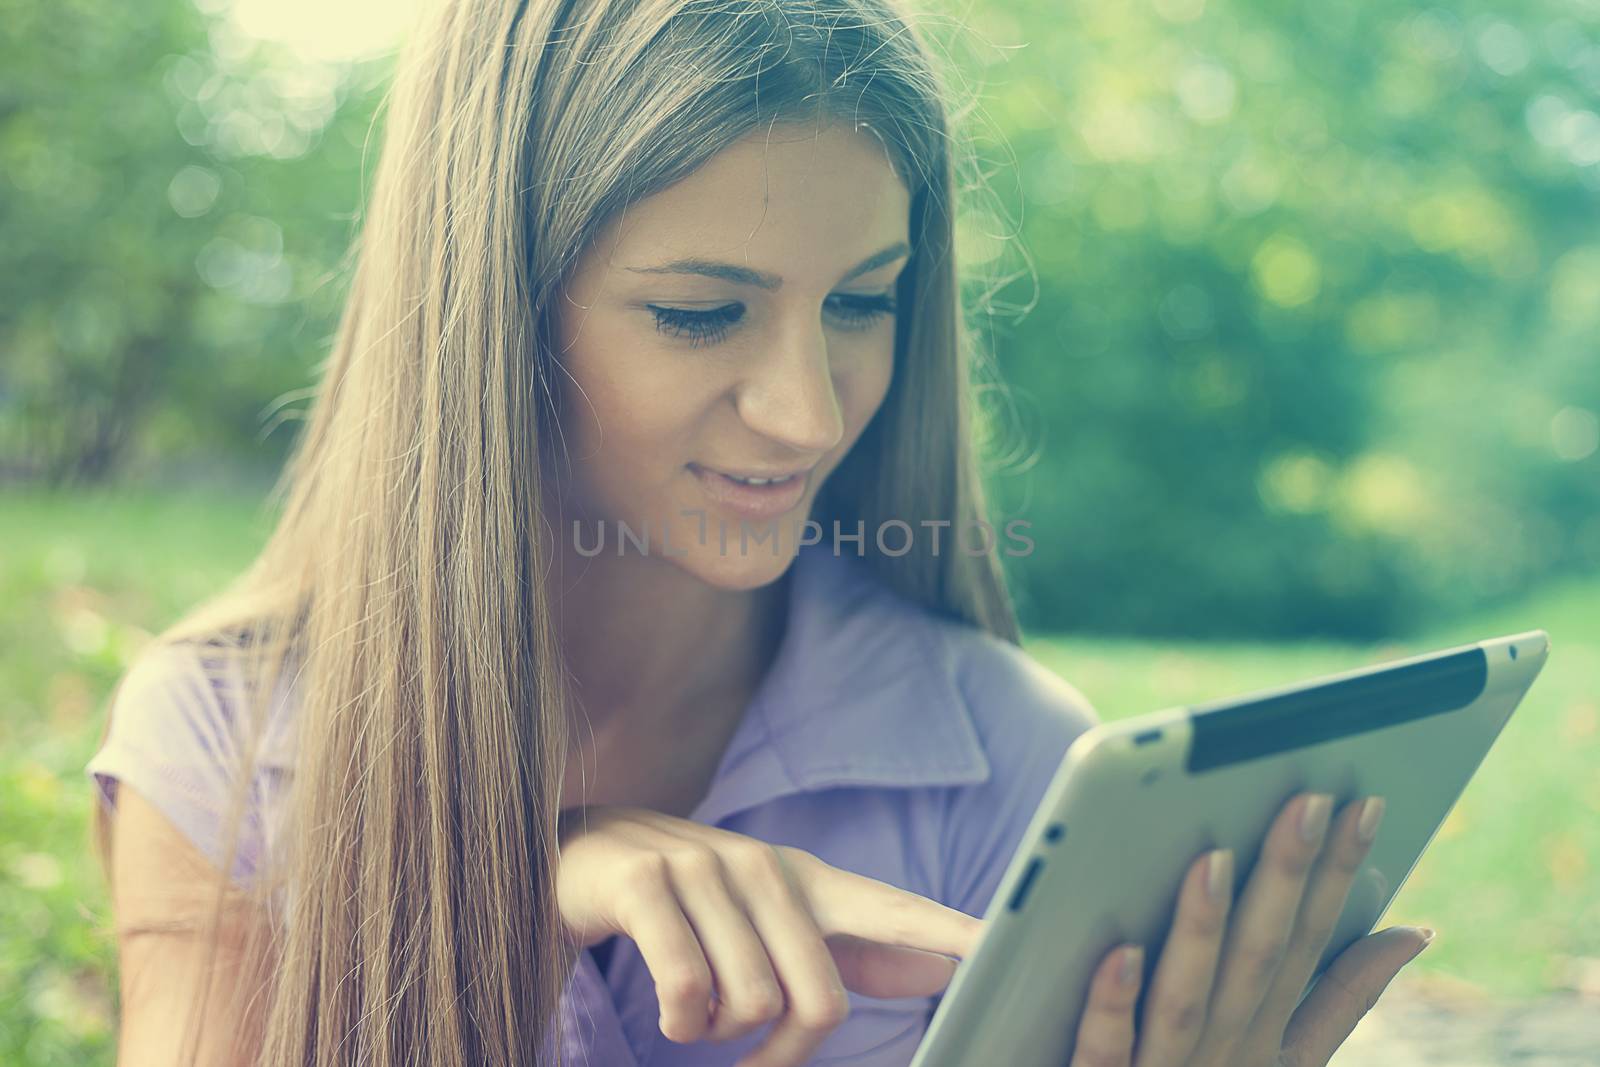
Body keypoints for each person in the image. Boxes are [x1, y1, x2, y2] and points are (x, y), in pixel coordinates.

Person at [82, 0, 1433, 1064]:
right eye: (699, 312)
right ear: (498, 318)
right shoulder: (227, 740)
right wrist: (520, 888)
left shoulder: (1006, 761)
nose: (803, 415)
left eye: (862, 303)